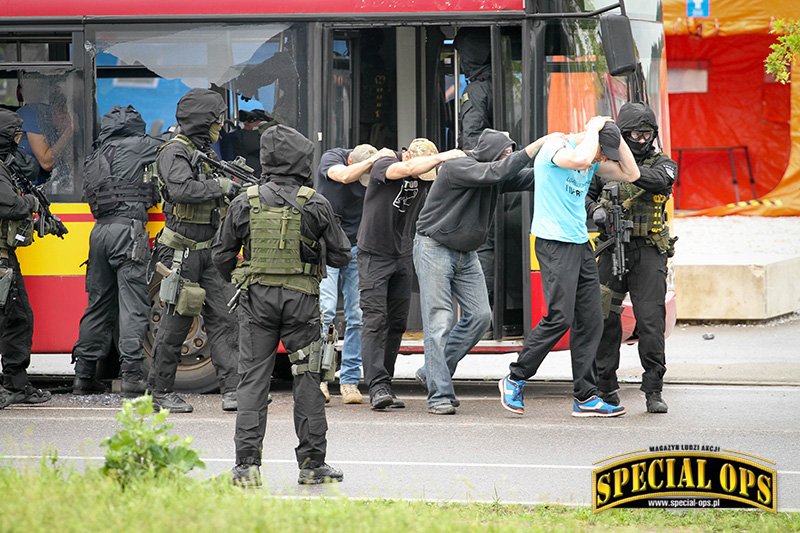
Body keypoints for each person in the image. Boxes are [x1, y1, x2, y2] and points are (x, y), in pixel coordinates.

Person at [212, 124, 351, 487]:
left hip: (256, 302)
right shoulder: (316, 202)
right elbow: (342, 255)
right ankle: (311, 464)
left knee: (252, 381)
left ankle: (246, 467)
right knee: (307, 378)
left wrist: (244, 273)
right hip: (302, 303)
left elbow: (221, 255)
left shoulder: (245, 200)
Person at [499, 117, 639, 418]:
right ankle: (515, 377)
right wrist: (592, 130)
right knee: (559, 316)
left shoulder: (592, 157)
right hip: (553, 243)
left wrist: (616, 136)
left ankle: (585, 396)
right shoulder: (557, 148)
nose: (602, 160)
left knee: (591, 319)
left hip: (579, 243)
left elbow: (632, 172)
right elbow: (582, 157)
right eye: (604, 152)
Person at [414, 129, 559, 414]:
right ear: (490, 151)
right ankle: (439, 394)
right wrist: (537, 146)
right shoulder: (459, 166)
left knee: (480, 317)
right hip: (434, 247)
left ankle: (431, 372)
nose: (509, 156)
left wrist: (580, 163)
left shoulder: (494, 173)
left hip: (466, 253)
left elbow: (532, 176)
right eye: (506, 151)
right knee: (438, 322)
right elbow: (497, 171)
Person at [148, 88, 240, 413]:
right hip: (181, 252)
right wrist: (222, 186)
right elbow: (182, 189)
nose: (221, 125)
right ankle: (160, 393)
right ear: (203, 121)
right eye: (217, 119)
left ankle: (233, 391)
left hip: (210, 251)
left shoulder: (204, 152)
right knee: (175, 322)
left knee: (227, 318)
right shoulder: (175, 152)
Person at [585, 102, 678, 414]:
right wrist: (594, 210)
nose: (641, 139)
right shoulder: (604, 164)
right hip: (611, 249)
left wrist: (627, 171)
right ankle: (605, 388)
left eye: (646, 133)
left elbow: (660, 180)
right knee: (604, 319)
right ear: (623, 135)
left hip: (649, 251)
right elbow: (585, 193)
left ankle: (653, 389)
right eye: (635, 134)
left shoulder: (662, 163)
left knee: (651, 322)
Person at [359, 139, 464, 410]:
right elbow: (400, 172)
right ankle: (376, 386)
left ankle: (386, 384)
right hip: (374, 254)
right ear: (406, 155)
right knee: (375, 320)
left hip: (402, 253)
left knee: (396, 322)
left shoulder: (426, 177)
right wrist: (443, 157)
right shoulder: (386, 162)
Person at [71, 105, 161, 396]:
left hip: (99, 234)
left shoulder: (96, 154)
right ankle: (132, 376)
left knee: (98, 304)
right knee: (134, 304)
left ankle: (83, 376)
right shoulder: (137, 146)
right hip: (127, 233)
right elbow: (170, 148)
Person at [315, 143, 394, 405]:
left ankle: (349, 381)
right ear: (351, 159)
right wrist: (372, 163)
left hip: (357, 248)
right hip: (326, 246)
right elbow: (344, 175)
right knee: (325, 311)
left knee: (357, 315)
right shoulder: (333, 159)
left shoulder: (371, 172)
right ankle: (319, 379)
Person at [0, 108, 57, 409]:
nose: (20, 140)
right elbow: (9, 204)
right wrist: (32, 203)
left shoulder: (5, 166)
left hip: (6, 256)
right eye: (15, 135)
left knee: (19, 317)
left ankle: (16, 384)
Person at [16, 86, 74, 185]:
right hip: (23, 188)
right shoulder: (34, 114)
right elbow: (46, 163)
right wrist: (68, 131)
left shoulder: (53, 128)